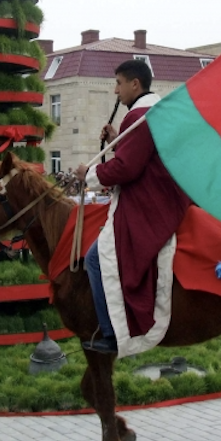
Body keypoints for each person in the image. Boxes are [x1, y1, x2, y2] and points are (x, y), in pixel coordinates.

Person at [73, 59, 191, 355]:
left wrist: (86, 174)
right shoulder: (154, 113)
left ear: (134, 84)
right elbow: (141, 153)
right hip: (163, 197)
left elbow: (127, 168)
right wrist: (117, 141)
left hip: (146, 205)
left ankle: (111, 334)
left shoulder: (138, 116)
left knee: (94, 260)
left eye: (118, 83)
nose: (116, 90)